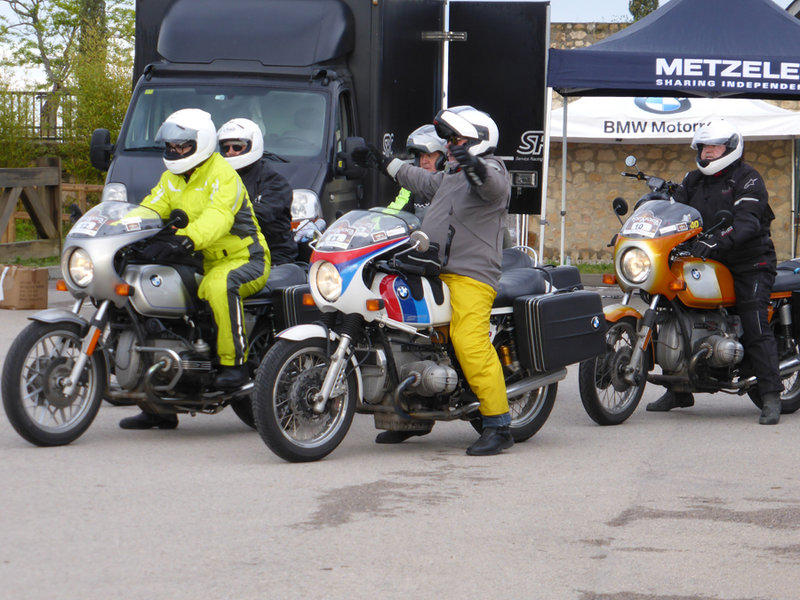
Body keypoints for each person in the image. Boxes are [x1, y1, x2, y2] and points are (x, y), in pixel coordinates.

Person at [353, 105, 514, 455]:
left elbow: (491, 185)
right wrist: (381, 161)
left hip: (472, 275)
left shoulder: (493, 170)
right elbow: (421, 181)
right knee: (401, 330)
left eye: (457, 138)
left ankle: (499, 424)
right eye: (451, 139)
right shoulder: (451, 176)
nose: (452, 144)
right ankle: (411, 413)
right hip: (434, 269)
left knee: (468, 340)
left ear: (477, 140)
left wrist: (474, 165)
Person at [120, 108, 270, 430]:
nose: (175, 151)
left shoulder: (223, 174)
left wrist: (186, 240)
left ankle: (235, 366)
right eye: (171, 146)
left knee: (218, 286)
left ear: (200, 143)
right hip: (199, 258)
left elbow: (218, 217)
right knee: (150, 290)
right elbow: (149, 207)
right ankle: (156, 402)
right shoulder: (171, 178)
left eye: (182, 145)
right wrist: (117, 229)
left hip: (244, 258)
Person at [646, 118, 783, 425]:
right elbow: (674, 210)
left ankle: (771, 395)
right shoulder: (692, 180)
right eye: (704, 146)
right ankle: (679, 388)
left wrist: (718, 240)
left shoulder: (748, 179)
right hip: (705, 259)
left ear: (731, 148)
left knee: (754, 320)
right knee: (674, 309)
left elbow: (747, 221)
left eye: (714, 146)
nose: (707, 152)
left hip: (750, 262)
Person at [217, 118, 298, 265]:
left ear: (253, 145)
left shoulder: (274, 182)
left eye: (237, 147)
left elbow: (258, 217)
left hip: (271, 256)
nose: (230, 152)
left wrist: (213, 221)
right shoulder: (217, 178)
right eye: (225, 148)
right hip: (228, 252)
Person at [386, 124, 447, 217]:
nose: (424, 161)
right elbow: (396, 210)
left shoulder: (451, 184)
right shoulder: (413, 184)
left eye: (429, 155)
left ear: (442, 158)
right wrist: (376, 222)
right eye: (421, 156)